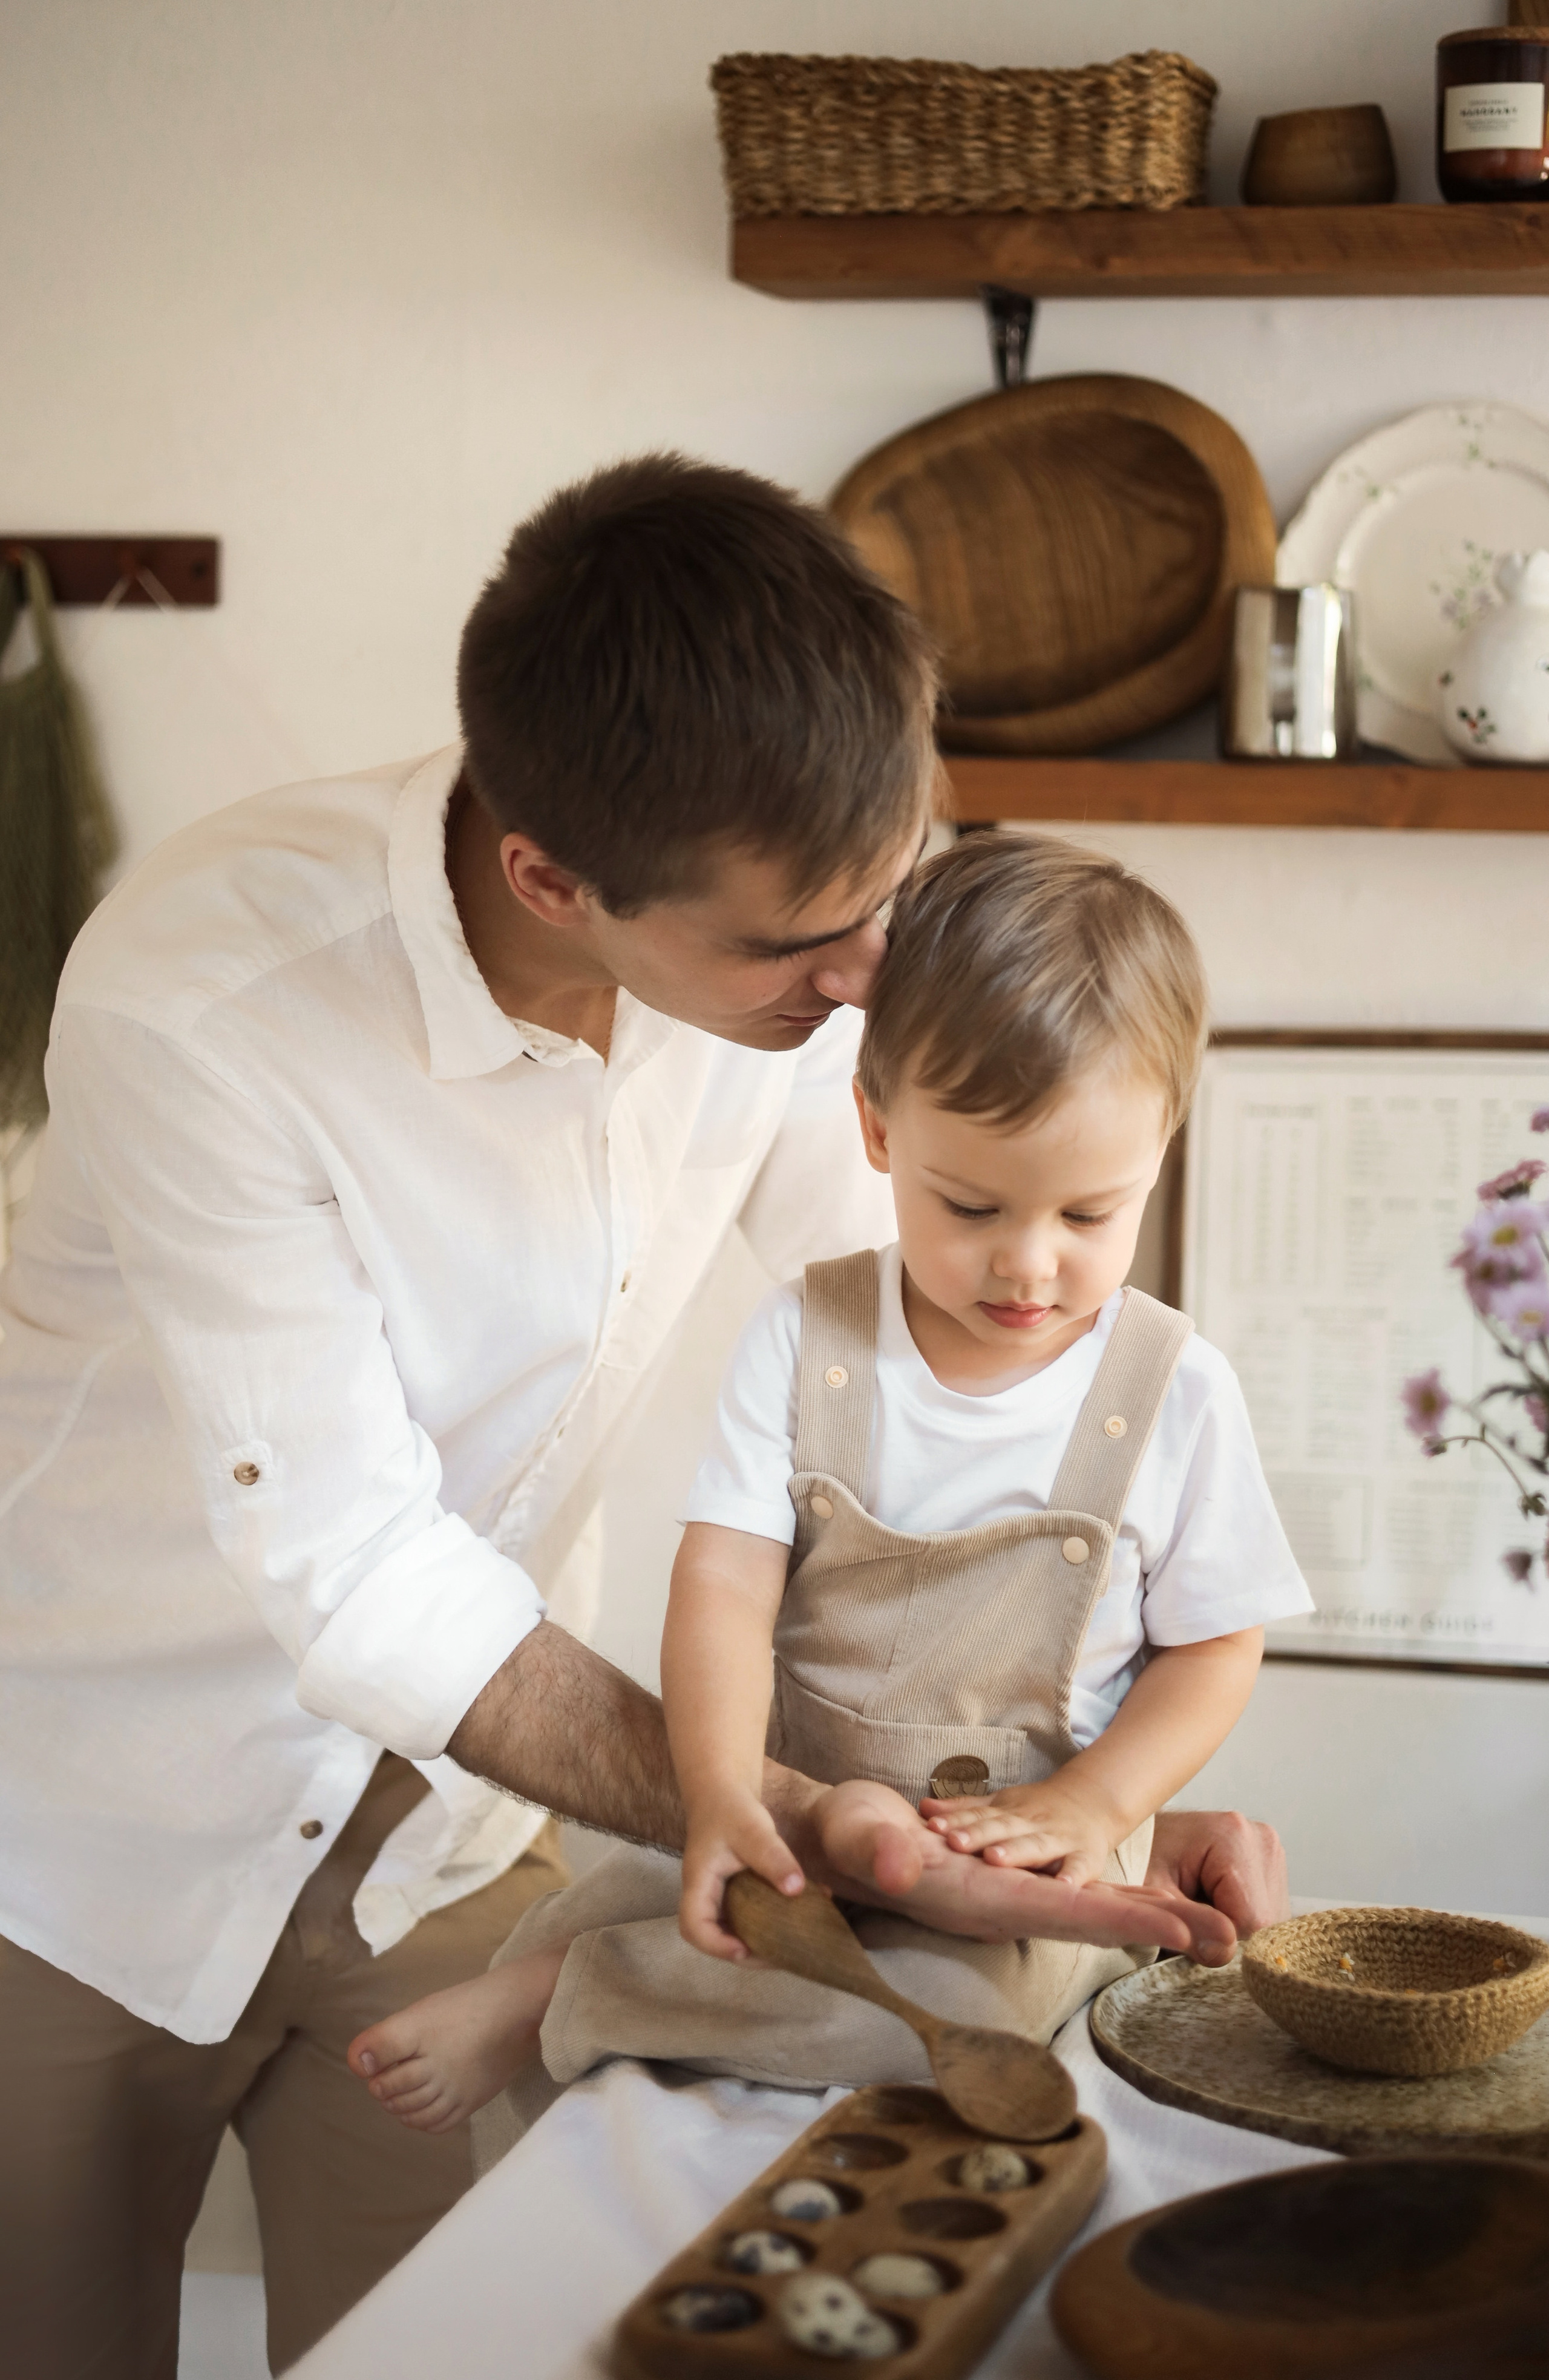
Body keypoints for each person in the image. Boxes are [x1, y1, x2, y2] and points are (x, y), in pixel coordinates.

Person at [0, 456, 1280, 2379]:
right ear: (550, 878)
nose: (867, 990)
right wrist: (792, 1818)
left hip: (454, 1839)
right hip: (92, 1844)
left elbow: (944, 1386)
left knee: (464, 2350)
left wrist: (1086, 1787)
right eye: (796, 952)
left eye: (892, 898)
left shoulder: (802, 958)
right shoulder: (210, 999)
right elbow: (358, 1576)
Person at [347, 833, 1312, 2140]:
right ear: (873, 1125)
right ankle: (558, 1965)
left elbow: (1214, 1643)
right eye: (968, 1204)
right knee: (617, 1887)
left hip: (1016, 1858)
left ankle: (569, 1993)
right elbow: (724, 1583)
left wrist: (1095, 1802)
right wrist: (722, 1788)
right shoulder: (810, 1335)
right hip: (812, 1818)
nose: (1026, 1265)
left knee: (899, 2019)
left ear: (1159, 1148)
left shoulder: (1173, 1387)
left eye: (1088, 1214)